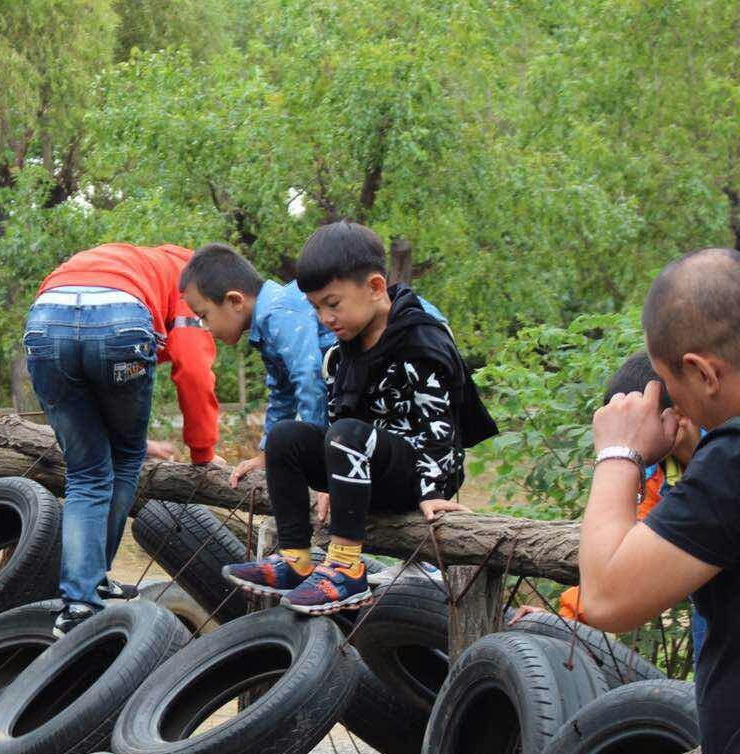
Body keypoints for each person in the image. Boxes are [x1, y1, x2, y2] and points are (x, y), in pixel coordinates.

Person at [220, 222, 496, 614]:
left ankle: (347, 569)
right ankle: (296, 557)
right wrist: (335, 482)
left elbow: (440, 424)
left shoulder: (421, 341)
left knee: (347, 433)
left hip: (418, 472)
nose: (325, 318)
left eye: (333, 304)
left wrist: (434, 491)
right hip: (366, 467)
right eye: (316, 308)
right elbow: (337, 418)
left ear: (375, 287)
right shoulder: (341, 353)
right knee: (286, 436)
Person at [577, 248, 740, 754]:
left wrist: (618, 452)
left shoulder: (732, 465)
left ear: (702, 372)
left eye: (668, 384)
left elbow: (606, 597)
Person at [26, 243, 224, 636]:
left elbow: (77, 341)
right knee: (124, 460)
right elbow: (194, 371)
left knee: (85, 473)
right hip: (120, 321)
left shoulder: (134, 262)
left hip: (46, 321)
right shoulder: (196, 283)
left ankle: (80, 601)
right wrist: (202, 452)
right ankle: (93, 579)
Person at [176, 242, 447, 489]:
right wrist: (268, 454)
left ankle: (426, 482)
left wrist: (326, 466)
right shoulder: (267, 322)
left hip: (412, 342)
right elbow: (282, 392)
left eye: (204, 316)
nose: (206, 327)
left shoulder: (277, 313)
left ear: (235, 301)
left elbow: (309, 381)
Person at [513, 352, 702, 640]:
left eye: (637, 422)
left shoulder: (722, 460)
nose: (629, 436)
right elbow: (627, 554)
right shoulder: (659, 472)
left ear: (679, 415)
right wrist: (565, 619)